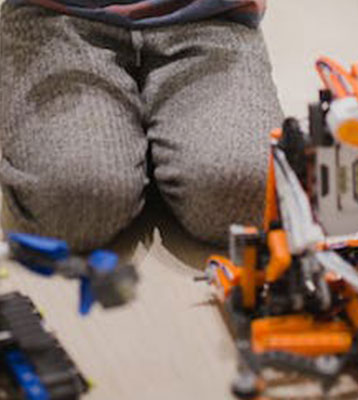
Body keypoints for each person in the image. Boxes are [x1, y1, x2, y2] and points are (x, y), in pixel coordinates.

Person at [0, 0, 283, 250]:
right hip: (59, 18)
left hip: (211, 18)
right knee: (73, 204)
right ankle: (128, 155)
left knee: (247, 193)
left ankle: (145, 153)